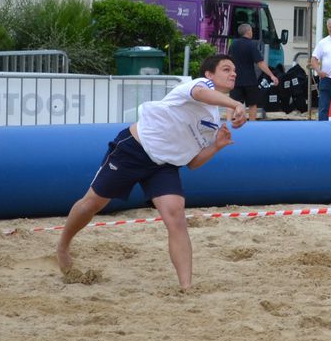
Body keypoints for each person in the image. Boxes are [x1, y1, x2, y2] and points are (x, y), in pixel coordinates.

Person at [55, 55, 248, 290]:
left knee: (176, 217)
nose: (233, 73)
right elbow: (200, 94)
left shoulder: (214, 120)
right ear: (209, 74)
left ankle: (186, 287)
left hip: (164, 166)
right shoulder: (199, 85)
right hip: (135, 149)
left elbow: (193, 163)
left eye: (235, 70)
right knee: (92, 203)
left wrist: (216, 146)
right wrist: (236, 104)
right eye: (226, 69)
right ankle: (63, 246)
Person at [228, 23, 279, 121]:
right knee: (252, 103)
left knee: (232, 102)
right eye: (251, 30)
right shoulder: (251, 44)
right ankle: (252, 124)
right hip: (249, 79)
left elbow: (229, 59)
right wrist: (271, 75)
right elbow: (260, 63)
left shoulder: (233, 44)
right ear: (248, 32)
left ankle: (228, 122)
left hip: (235, 79)